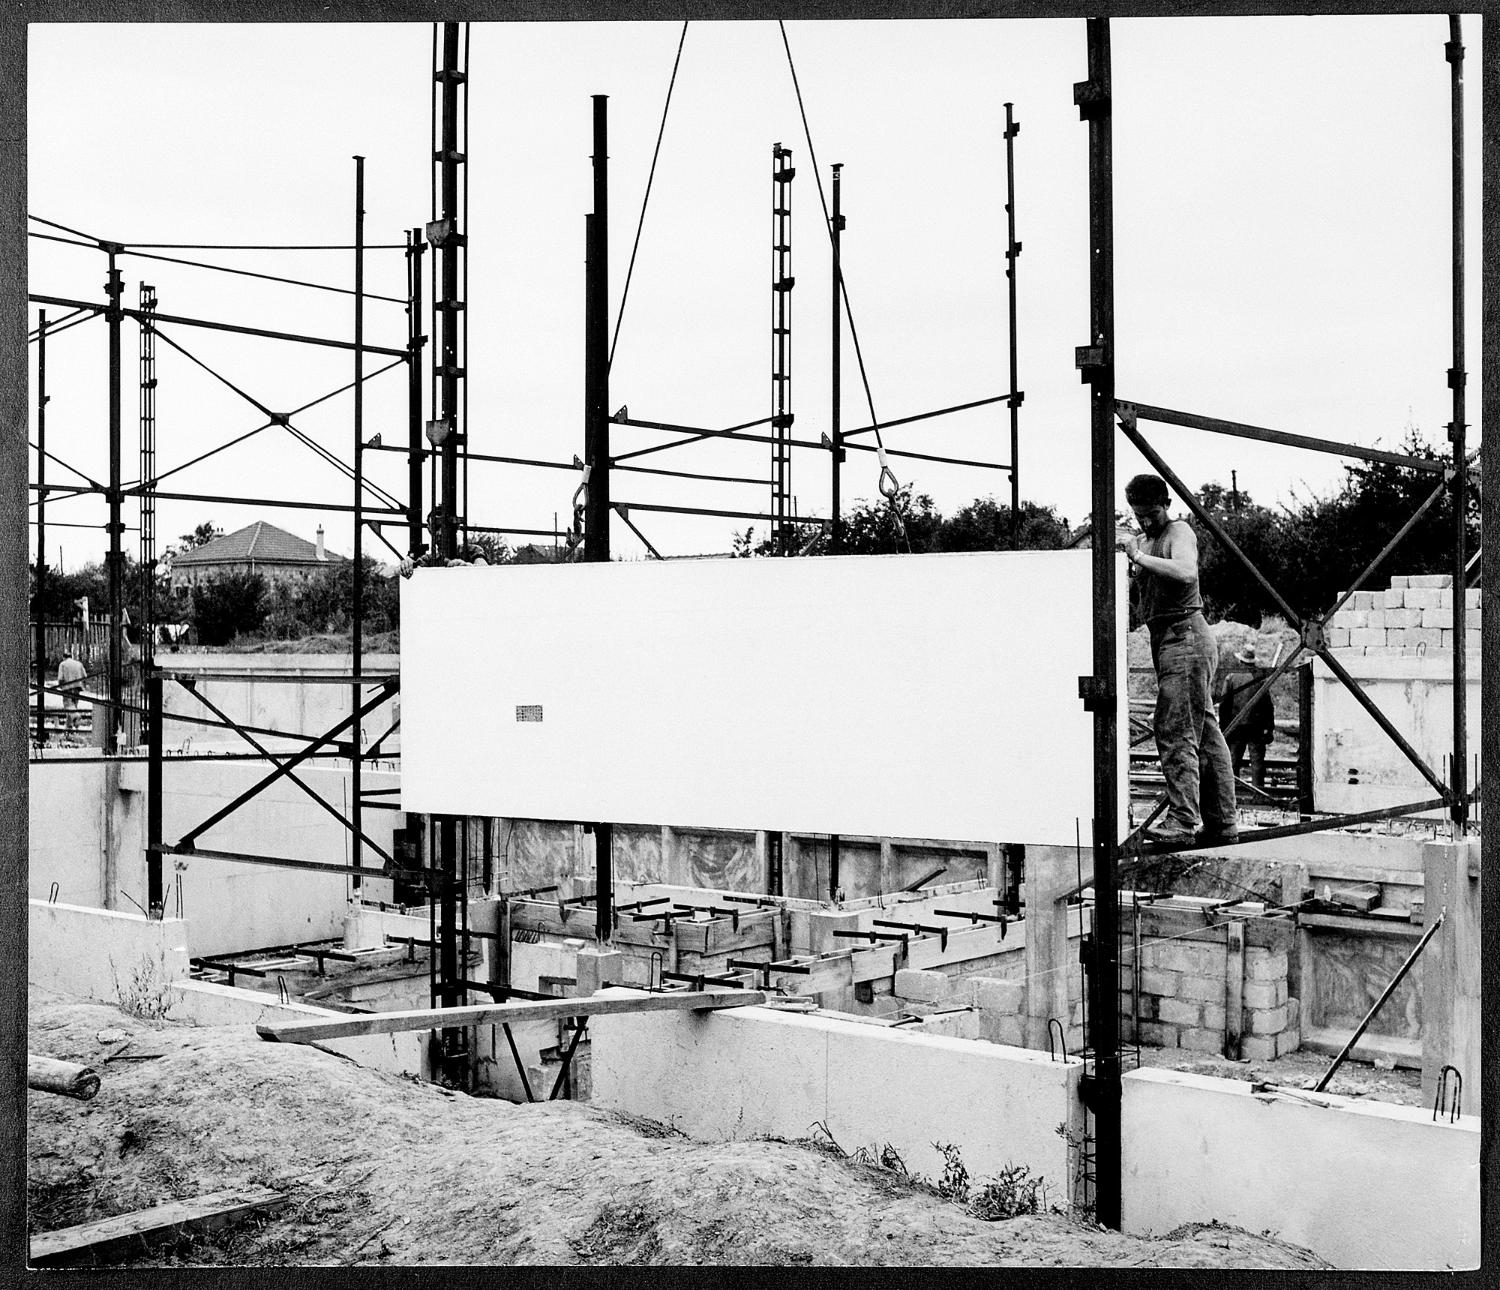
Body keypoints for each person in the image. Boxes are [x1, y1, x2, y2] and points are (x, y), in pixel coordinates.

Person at [1117, 473, 1237, 845]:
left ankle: (1183, 822)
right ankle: (1222, 823)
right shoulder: (1149, 539)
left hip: (1185, 637)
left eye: (1151, 513)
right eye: (1139, 515)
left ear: (1166, 505)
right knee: (1204, 732)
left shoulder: (1179, 532)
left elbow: (1187, 572)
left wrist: (1138, 556)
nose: (1146, 521)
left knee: (1174, 729)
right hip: (1170, 639)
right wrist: (1137, 559)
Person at [1217, 644, 1276, 790]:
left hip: (1236, 727)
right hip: (1256, 727)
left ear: (1240, 661)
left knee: (1233, 760)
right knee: (1257, 762)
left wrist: (1224, 728)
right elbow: (1267, 706)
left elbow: (1224, 705)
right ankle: (1258, 793)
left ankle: (1232, 792)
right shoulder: (1260, 678)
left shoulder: (1231, 678)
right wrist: (1269, 728)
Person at [56, 651, 87, 735]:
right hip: (77, 688)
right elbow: (85, 675)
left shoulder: (62, 664)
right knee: (73, 706)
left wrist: (61, 686)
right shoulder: (79, 664)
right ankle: (69, 728)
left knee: (68, 706)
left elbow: (60, 678)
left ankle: (76, 717)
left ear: (64, 657)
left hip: (67, 688)